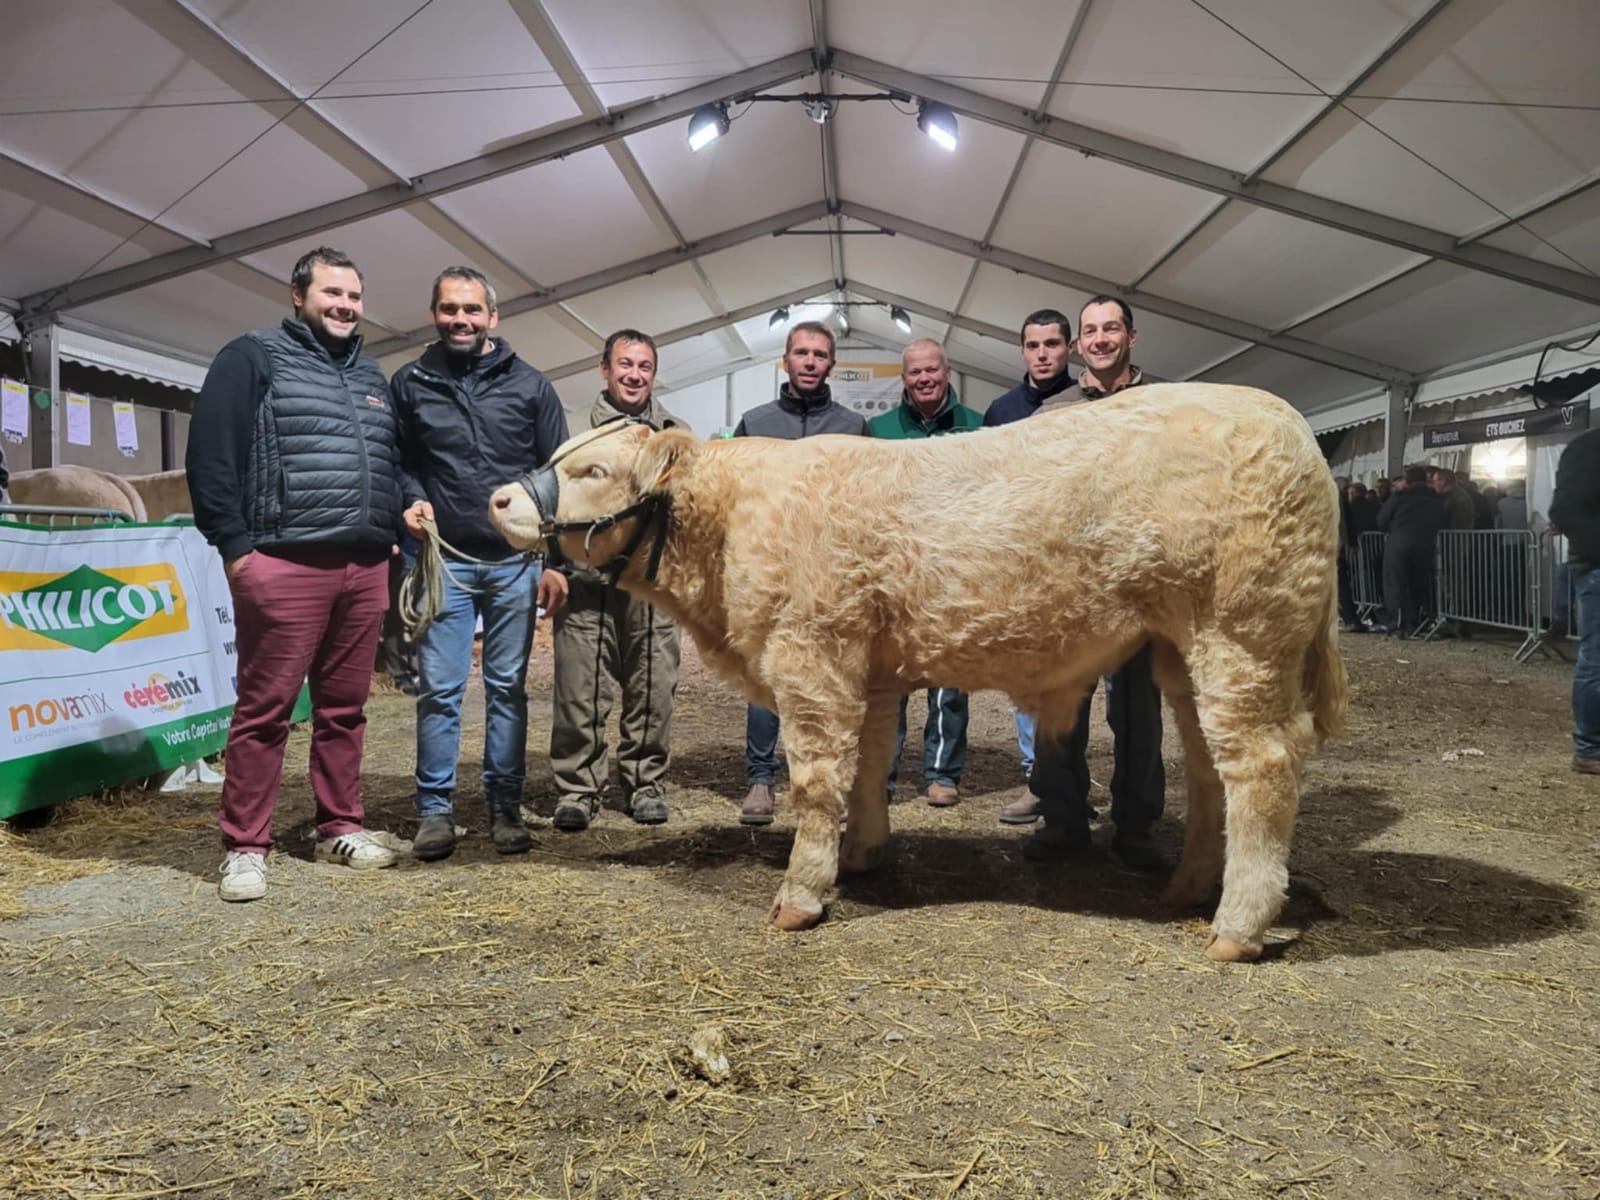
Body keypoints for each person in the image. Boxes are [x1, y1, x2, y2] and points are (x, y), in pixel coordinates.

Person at [187, 246, 405, 901]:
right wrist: (235, 550)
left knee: (345, 710)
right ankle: (245, 847)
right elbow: (210, 456)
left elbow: (386, 461)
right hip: (282, 561)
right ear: (297, 294)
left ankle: (338, 824)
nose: (344, 306)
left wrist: (391, 530)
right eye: (332, 293)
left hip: (364, 564)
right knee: (265, 712)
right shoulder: (251, 356)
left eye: (354, 296)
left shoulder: (370, 371)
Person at [391, 266, 570, 862]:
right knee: (439, 691)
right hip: (446, 562)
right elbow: (399, 460)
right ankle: (435, 811)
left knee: (506, 689)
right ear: (435, 314)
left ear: (493, 317)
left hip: (515, 564)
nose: (459, 320)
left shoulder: (531, 386)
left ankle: (503, 804)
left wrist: (555, 560)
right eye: (449, 309)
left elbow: (555, 476)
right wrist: (408, 498)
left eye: (471, 310)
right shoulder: (411, 383)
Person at [1012, 296, 1165, 869]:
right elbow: (1027, 497)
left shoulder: (1162, 407)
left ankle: (1137, 826)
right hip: (1071, 586)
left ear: (1132, 335)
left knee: (1138, 709)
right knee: (1062, 704)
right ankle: (1064, 819)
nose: (1101, 339)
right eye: (1091, 331)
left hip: (1141, 583)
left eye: (1112, 329)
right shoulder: (1052, 415)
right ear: (1079, 343)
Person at [735, 320, 869, 824]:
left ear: (832, 364)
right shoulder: (754, 422)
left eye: (819, 354)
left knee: (836, 681)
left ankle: (833, 781)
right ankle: (761, 780)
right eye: (801, 353)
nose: (810, 361)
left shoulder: (854, 427)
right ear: (785, 361)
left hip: (834, 578)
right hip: (771, 575)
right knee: (768, 678)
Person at [550, 331, 684, 831]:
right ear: (603, 369)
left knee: (654, 685)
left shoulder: (673, 433)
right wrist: (553, 564)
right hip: (585, 578)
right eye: (625, 364)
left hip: (650, 584)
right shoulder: (573, 433)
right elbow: (553, 503)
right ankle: (578, 789)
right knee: (578, 686)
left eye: (644, 366)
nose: (634, 374)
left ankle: (646, 782)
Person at [867, 338, 982, 806]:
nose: (924, 378)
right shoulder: (877, 430)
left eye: (931, 369)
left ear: (947, 371)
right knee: (888, 677)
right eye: (915, 372)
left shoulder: (978, 426)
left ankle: (942, 773)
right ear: (904, 378)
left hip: (952, 571)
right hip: (893, 570)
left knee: (947, 680)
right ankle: (881, 774)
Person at [983, 307, 1076, 810]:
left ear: (1069, 348)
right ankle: (1035, 779)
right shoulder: (1001, 411)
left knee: (1079, 679)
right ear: (1022, 351)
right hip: (1022, 560)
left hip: (1077, 559)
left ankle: (1070, 787)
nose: (1043, 354)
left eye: (1053, 344)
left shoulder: (1087, 406)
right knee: (1029, 673)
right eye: (1034, 346)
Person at [1549, 427, 1600, 775]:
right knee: (1597, 658)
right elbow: (1564, 510)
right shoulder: (1588, 448)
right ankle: (1590, 748)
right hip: (1597, 566)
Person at [1375, 465, 1445, 635]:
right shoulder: (1435, 498)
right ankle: (1417, 621)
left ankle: (1398, 623)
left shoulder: (1399, 497)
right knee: (1418, 583)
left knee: (1396, 584)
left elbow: (1381, 521)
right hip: (1425, 546)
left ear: (1407, 481)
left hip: (1398, 545)